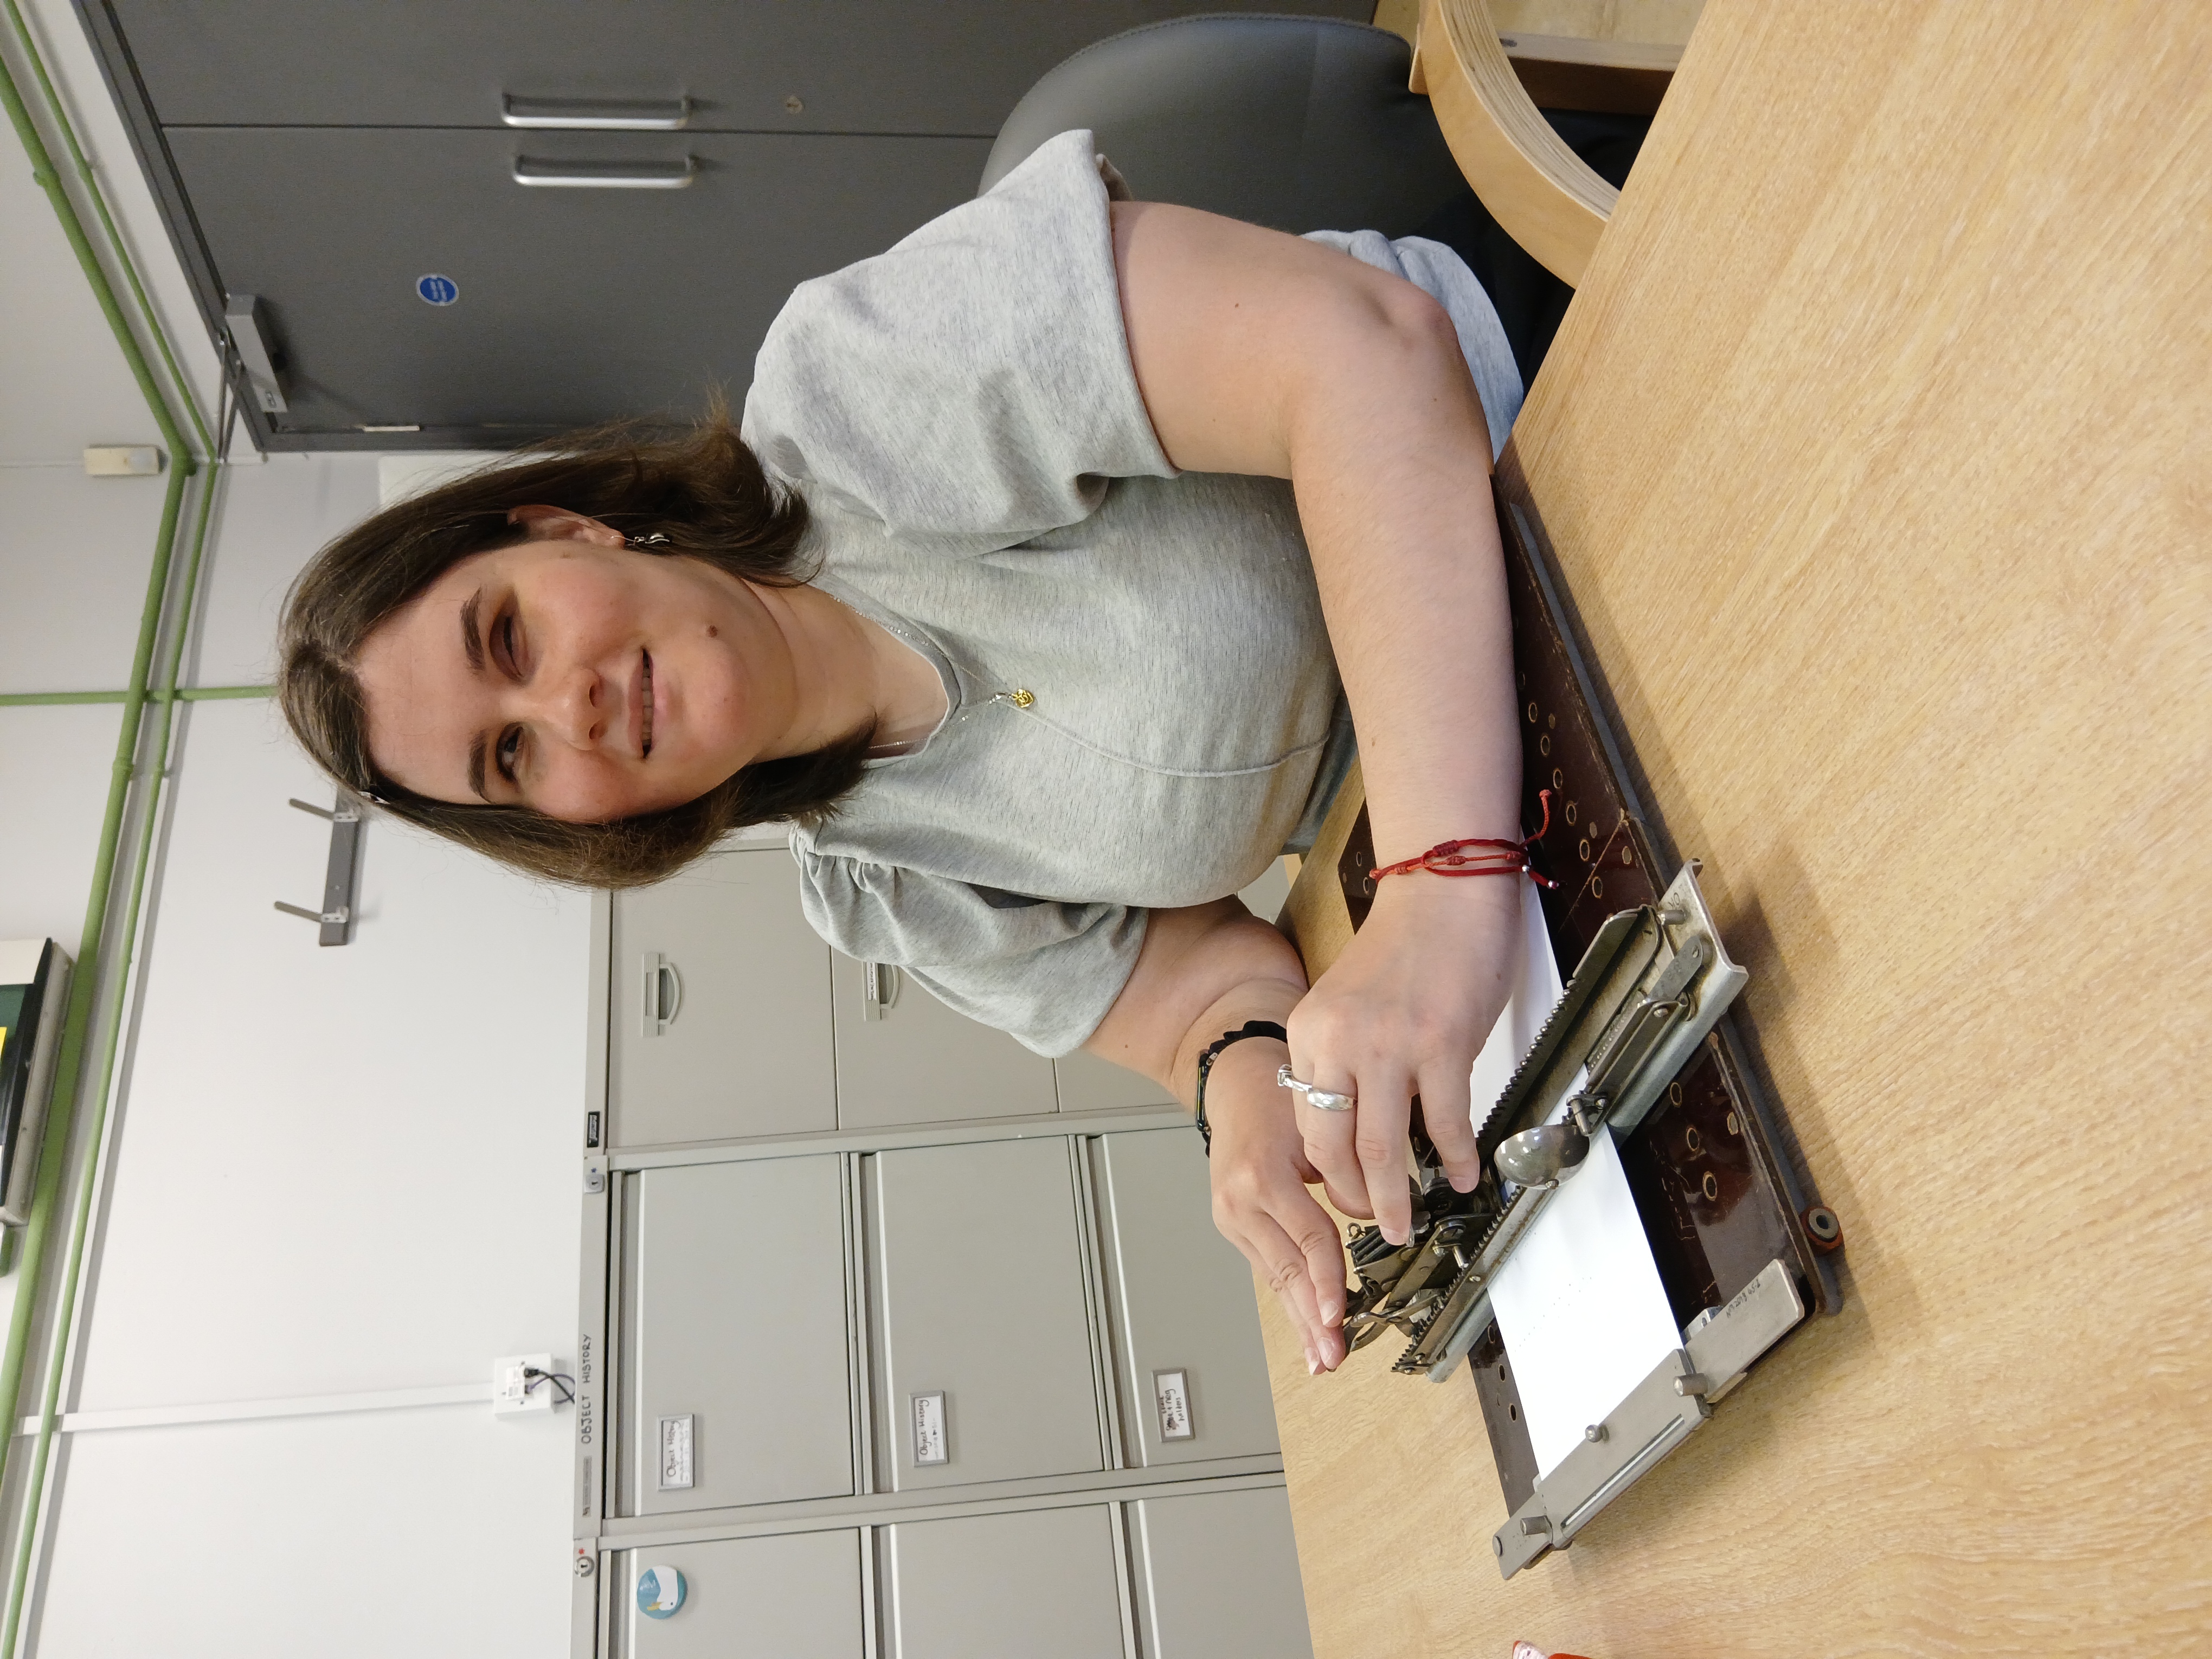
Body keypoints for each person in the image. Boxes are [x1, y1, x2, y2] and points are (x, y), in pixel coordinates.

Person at [280, 131, 1535, 1377]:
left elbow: (1360, 352)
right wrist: (1244, 1095)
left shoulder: (859, 392)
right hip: (1498, 784)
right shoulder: (877, 885)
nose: (570, 711)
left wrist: (1440, 884)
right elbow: (1199, 993)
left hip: (1542, 441)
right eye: (513, 759)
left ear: (569, 529)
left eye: (511, 637)